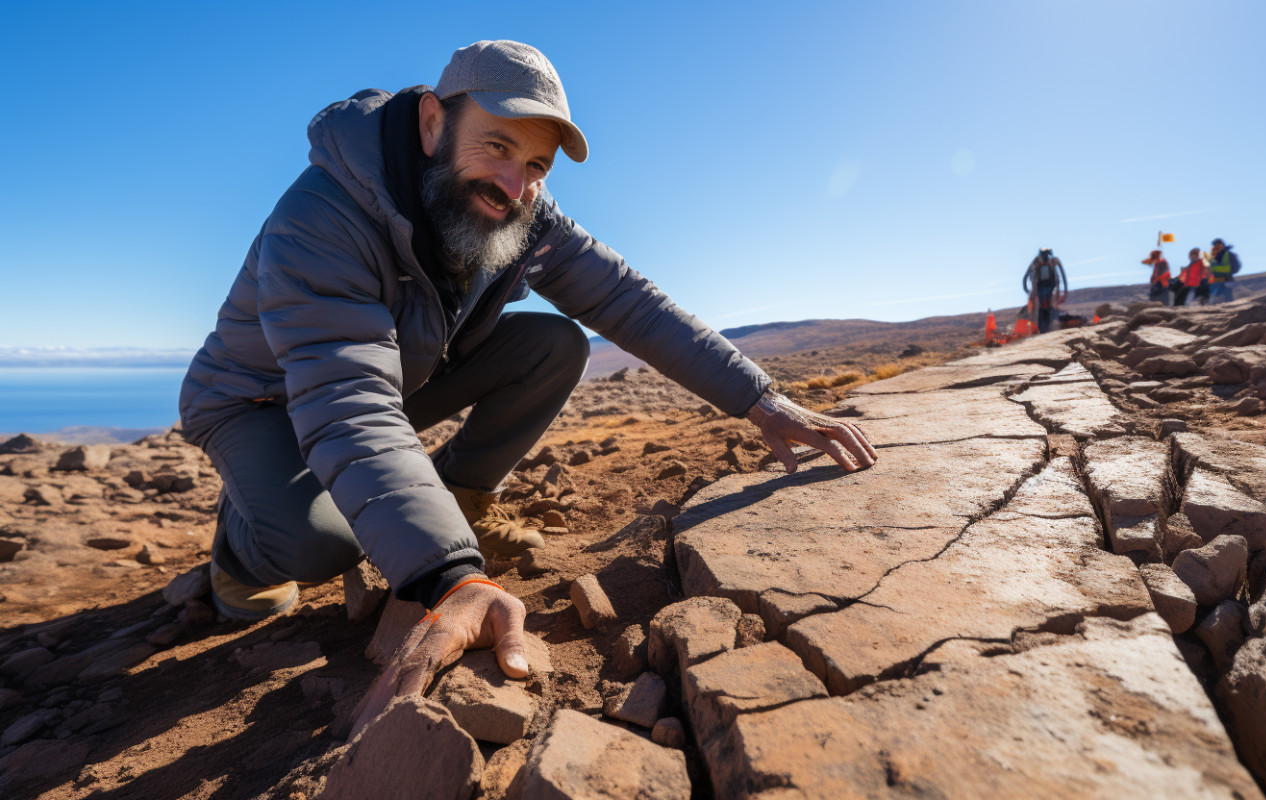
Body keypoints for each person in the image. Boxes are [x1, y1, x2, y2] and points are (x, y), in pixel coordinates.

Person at [176, 41, 877, 732]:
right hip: (260, 402)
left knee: (553, 344)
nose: (514, 185)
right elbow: (347, 399)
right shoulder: (324, 216)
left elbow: (629, 302)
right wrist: (453, 577)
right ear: (432, 123)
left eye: (536, 166)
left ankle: (457, 501)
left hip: (392, 378)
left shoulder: (523, 214)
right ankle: (239, 546)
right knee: (323, 547)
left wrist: (759, 399)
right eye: (497, 146)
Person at [1021, 248, 1067, 333]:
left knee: (1048, 305)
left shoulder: (1054, 261)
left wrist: (1064, 292)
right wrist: (1027, 290)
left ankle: (1049, 325)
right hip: (1039, 288)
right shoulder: (1036, 261)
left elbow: (1062, 276)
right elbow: (1026, 275)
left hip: (1050, 287)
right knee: (1041, 306)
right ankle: (1042, 327)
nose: (1045, 258)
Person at [1207, 238, 1240, 304]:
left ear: (1223, 245)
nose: (1217, 247)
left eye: (1218, 245)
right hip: (1215, 281)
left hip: (1227, 280)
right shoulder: (1212, 257)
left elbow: (1236, 267)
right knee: (1212, 296)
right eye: (1215, 245)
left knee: (1227, 296)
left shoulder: (1229, 255)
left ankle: (1230, 306)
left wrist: (1226, 271)